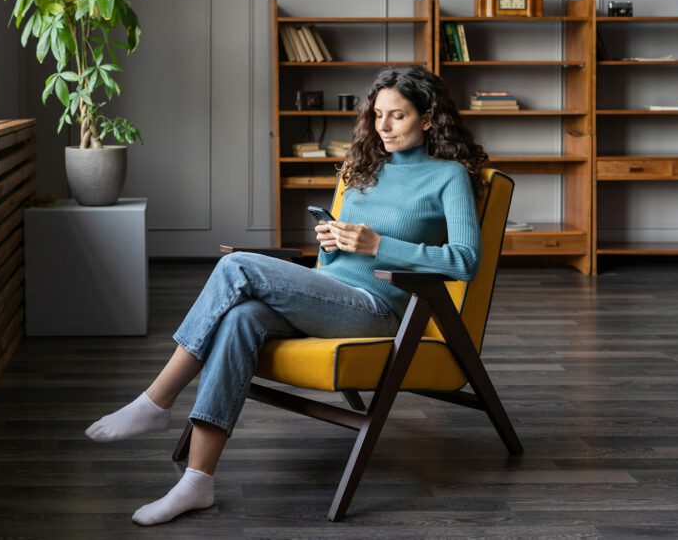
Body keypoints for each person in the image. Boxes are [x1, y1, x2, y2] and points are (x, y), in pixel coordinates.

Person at [85, 65, 489, 525]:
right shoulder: (365, 166)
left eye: (397, 116)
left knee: (235, 265)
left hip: (375, 310)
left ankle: (156, 401)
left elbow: (465, 260)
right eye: (377, 114)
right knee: (241, 320)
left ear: (429, 118)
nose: (382, 126)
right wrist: (331, 241)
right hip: (329, 294)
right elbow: (334, 262)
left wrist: (379, 245)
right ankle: (197, 481)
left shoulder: (448, 176)